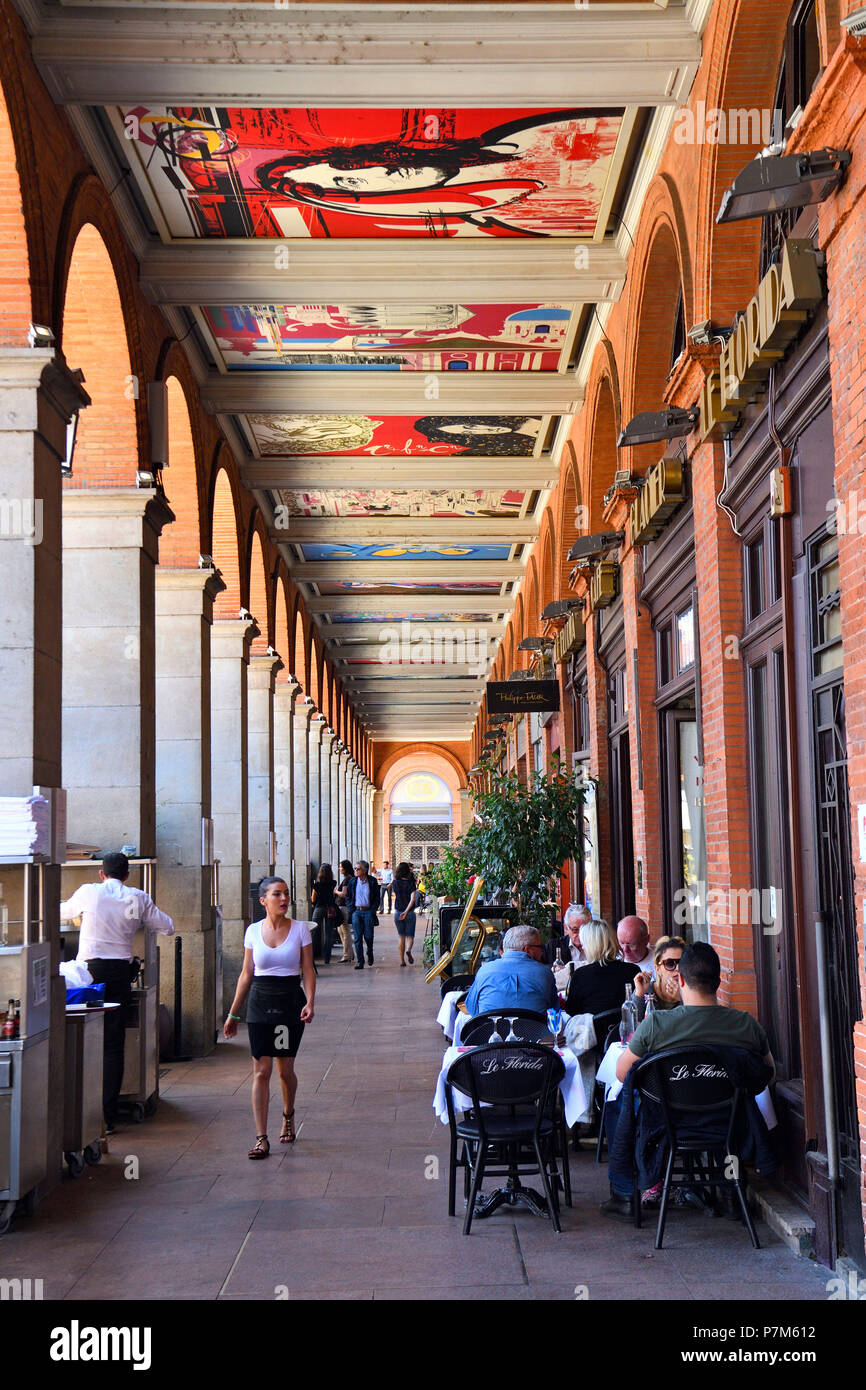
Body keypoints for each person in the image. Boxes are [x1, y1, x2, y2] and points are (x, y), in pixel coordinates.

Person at [602, 942, 775, 1217]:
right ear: (718, 982)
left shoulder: (656, 1025)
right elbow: (768, 1073)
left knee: (617, 1104)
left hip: (667, 1125)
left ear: (680, 979)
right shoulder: (745, 1024)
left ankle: (625, 1192)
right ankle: (732, 1191)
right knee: (731, 1114)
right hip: (728, 1124)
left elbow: (623, 1074)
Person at [59, 852, 174, 1133]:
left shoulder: (89, 892)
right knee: (113, 1044)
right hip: (120, 976)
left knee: (80, 1039)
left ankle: (77, 1112)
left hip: (89, 975)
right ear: (127, 875)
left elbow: (61, 913)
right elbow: (167, 927)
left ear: (101, 873)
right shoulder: (137, 897)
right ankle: (107, 1117)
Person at [224, 876, 315, 1157]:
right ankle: (261, 1137)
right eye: (277, 894)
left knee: (284, 1070)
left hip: (288, 1004)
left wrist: (310, 1001)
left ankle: (288, 1115)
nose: (284, 899)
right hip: (260, 1004)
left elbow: (308, 969)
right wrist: (233, 1014)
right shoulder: (252, 932)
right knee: (260, 1071)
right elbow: (246, 974)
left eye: (286, 894)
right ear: (263, 900)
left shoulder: (300, 930)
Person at [463, 925, 559, 1017]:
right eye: (540, 947)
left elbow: (472, 1009)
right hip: (535, 1033)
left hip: (490, 1032)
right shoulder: (544, 973)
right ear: (527, 950)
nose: (542, 951)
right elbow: (554, 1011)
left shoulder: (484, 970)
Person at [563, 918, 639, 1018]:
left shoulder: (581, 975)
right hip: (627, 1030)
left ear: (591, 946)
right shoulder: (633, 970)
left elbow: (571, 1013)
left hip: (592, 1032)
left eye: (583, 944)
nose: (583, 948)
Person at [633, 935, 686, 1018]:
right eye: (670, 963)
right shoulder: (646, 990)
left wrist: (683, 999)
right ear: (657, 969)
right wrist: (639, 994)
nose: (678, 968)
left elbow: (700, 1026)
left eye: (682, 962)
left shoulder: (693, 992)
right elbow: (628, 1027)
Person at [544, 903, 591, 986]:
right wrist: (553, 968)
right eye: (575, 930)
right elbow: (540, 968)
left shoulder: (598, 946)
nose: (580, 935)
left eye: (585, 930)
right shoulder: (553, 946)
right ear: (566, 928)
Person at [345, 860, 381, 969]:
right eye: (355, 868)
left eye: (358, 869)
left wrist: (373, 910)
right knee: (357, 937)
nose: (355, 870)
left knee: (369, 936)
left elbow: (376, 898)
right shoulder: (352, 881)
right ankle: (360, 961)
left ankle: (369, 952)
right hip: (356, 912)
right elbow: (348, 896)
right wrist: (350, 908)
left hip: (368, 912)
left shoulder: (372, 881)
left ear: (365, 870)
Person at [310, 863, 339, 965]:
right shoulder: (333, 883)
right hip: (330, 909)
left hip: (319, 908)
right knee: (328, 933)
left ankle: (311, 956)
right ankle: (327, 958)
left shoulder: (316, 885)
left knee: (314, 933)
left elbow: (313, 899)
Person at [392, 861, 418, 967]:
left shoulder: (395, 882)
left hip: (398, 912)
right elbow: (412, 900)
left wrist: (402, 912)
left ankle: (402, 960)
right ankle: (408, 950)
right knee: (410, 936)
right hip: (410, 913)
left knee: (401, 936)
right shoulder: (411, 883)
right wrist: (406, 911)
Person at [334, 859, 355, 962]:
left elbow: (344, 894)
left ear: (345, 869)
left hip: (344, 907)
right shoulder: (351, 878)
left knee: (345, 931)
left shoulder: (347, 879)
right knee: (341, 930)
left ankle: (347, 955)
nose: (339, 869)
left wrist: (336, 891)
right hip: (346, 907)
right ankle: (350, 953)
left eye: (341, 867)